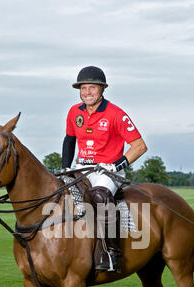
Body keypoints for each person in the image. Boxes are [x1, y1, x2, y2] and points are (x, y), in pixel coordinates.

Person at [62, 66, 147, 272]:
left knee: (99, 197)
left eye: (92, 87)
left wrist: (117, 165)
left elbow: (140, 146)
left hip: (108, 171)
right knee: (56, 193)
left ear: (102, 89)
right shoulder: (75, 112)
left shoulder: (116, 114)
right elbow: (69, 140)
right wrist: (65, 167)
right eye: (83, 88)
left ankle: (111, 252)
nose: (87, 92)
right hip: (82, 168)